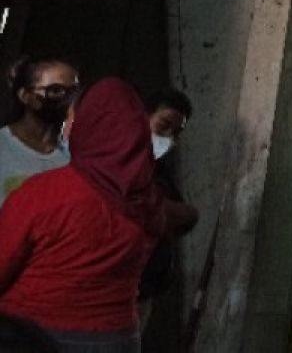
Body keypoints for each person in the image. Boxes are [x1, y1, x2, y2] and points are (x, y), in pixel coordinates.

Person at [0, 77, 197, 352]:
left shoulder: (42, 192)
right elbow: (187, 217)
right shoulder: (148, 202)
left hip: (34, 334)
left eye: (73, 119)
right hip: (117, 338)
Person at [137, 88, 199, 329]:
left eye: (177, 132)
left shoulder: (159, 170)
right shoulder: (115, 166)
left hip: (144, 289)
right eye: (163, 125)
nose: (169, 137)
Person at [0, 55, 78, 208]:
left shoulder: (74, 156)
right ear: (26, 96)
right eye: (56, 91)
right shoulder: (3, 147)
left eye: (73, 92)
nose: (67, 99)